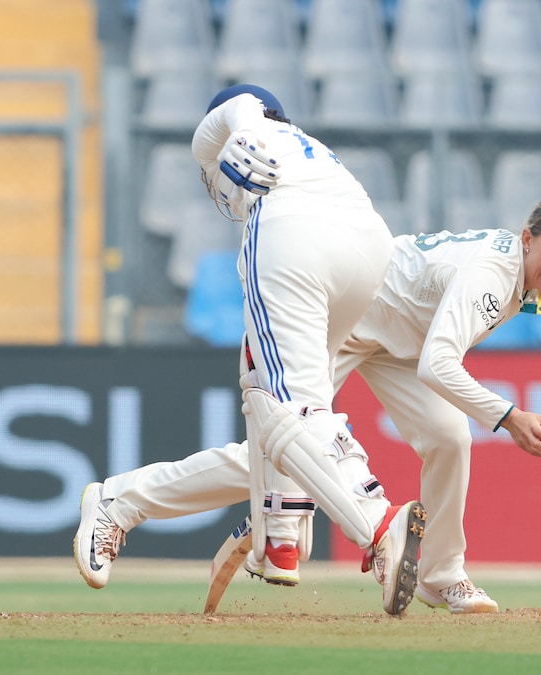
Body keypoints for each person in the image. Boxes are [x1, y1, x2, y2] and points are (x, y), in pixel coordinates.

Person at [74, 193, 541, 614]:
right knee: (288, 454)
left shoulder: (523, 274)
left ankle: (442, 577)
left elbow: (431, 349)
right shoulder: (492, 275)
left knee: (448, 438)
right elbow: (440, 364)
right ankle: (120, 501)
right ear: (527, 239)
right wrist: (509, 417)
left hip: (398, 339)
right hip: (340, 321)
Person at [75, 84, 425, 616]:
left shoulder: (250, 124)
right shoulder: (313, 151)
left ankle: (376, 524)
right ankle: (279, 529)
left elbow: (239, 109)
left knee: (289, 410)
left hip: (295, 235)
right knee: (287, 407)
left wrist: (236, 128)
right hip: (367, 246)